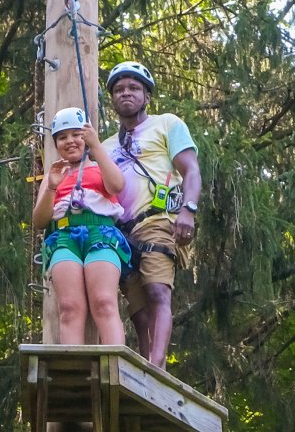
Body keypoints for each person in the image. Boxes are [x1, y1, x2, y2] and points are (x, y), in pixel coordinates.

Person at [102, 61, 202, 368]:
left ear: (147, 96)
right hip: (120, 230)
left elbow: (191, 169)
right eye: (119, 89)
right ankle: (146, 365)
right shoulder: (105, 147)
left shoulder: (167, 124)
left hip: (158, 219)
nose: (126, 94)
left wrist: (188, 209)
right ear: (113, 99)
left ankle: (156, 369)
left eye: (134, 88)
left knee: (158, 290)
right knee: (138, 309)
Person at [33, 107, 132, 345]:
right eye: (62, 137)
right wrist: (52, 187)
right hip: (65, 236)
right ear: (56, 143)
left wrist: (96, 147)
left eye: (77, 134)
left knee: (104, 301)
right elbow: (39, 221)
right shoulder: (52, 175)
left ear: (86, 137)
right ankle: (72, 363)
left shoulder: (99, 167)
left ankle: (115, 358)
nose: (70, 141)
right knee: (69, 307)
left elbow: (117, 186)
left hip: (101, 233)